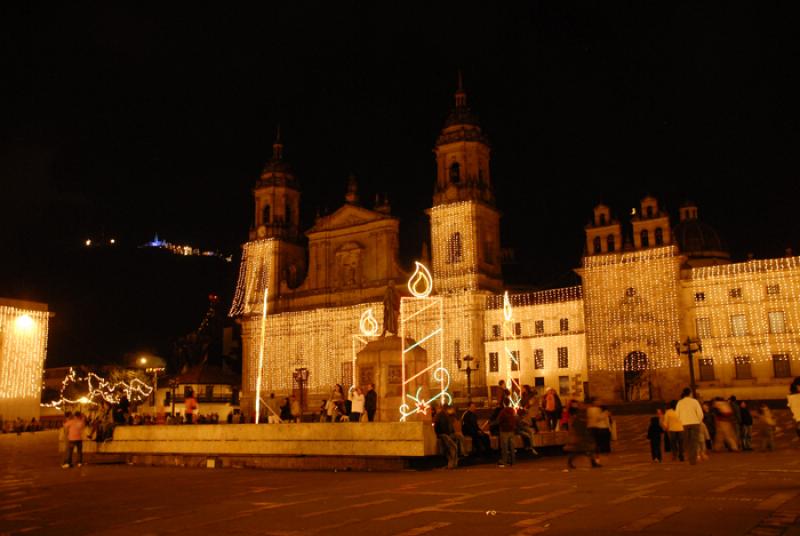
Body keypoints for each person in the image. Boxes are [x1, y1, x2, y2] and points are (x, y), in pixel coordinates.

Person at [564, 401, 600, 470]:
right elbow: (576, 425)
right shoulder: (578, 416)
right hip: (580, 436)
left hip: (583, 436)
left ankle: (593, 462)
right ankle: (570, 462)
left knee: (589, 450)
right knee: (579, 451)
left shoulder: (582, 415)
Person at [675, 387, 703, 465]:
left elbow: (677, 415)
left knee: (686, 441)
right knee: (694, 441)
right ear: (690, 393)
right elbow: (700, 413)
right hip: (695, 423)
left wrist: (681, 421)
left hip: (684, 424)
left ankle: (689, 456)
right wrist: (699, 421)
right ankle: (693, 459)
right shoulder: (695, 401)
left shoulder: (680, 402)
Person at [434, 403, 459, 469]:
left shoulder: (445, 415)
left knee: (455, 443)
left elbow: (450, 426)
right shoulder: (441, 415)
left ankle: (454, 462)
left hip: (445, 434)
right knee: (453, 447)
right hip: (443, 434)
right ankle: (452, 463)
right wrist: (441, 434)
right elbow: (439, 427)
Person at [497, 397, 518, 467]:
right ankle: (513, 461)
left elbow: (499, 420)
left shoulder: (502, 411)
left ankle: (504, 461)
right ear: (509, 403)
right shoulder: (513, 410)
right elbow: (516, 418)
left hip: (504, 431)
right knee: (512, 446)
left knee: (504, 447)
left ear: (503, 403)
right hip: (511, 430)